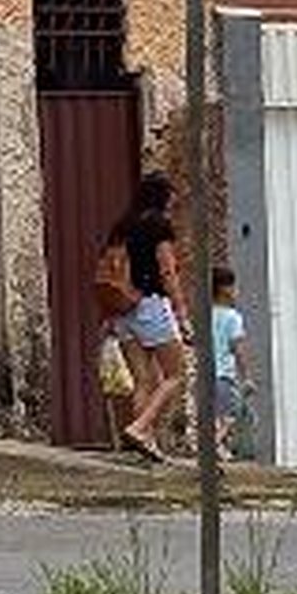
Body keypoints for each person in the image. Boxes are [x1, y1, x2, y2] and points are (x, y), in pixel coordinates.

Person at [108, 172, 185, 460]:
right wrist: (181, 311)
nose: (173, 202)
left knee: (143, 379)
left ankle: (144, 443)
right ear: (161, 196)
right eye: (171, 196)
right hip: (150, 304)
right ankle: (141, 428)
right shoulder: (158, 225)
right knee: (176, 375)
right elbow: (167, 271)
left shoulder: (122, 225)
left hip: (123, 308)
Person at [209, 266, 252, 461]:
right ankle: (213, 444)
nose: (236, 291)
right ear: (225, 289)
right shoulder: (232, 317)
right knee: (231, 414)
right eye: (234, 287)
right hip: (223, 375)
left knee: (216, 416)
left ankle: (220, 449)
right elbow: (238, 349)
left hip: (205, 375)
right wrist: (247, 377)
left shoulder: (205, 315)